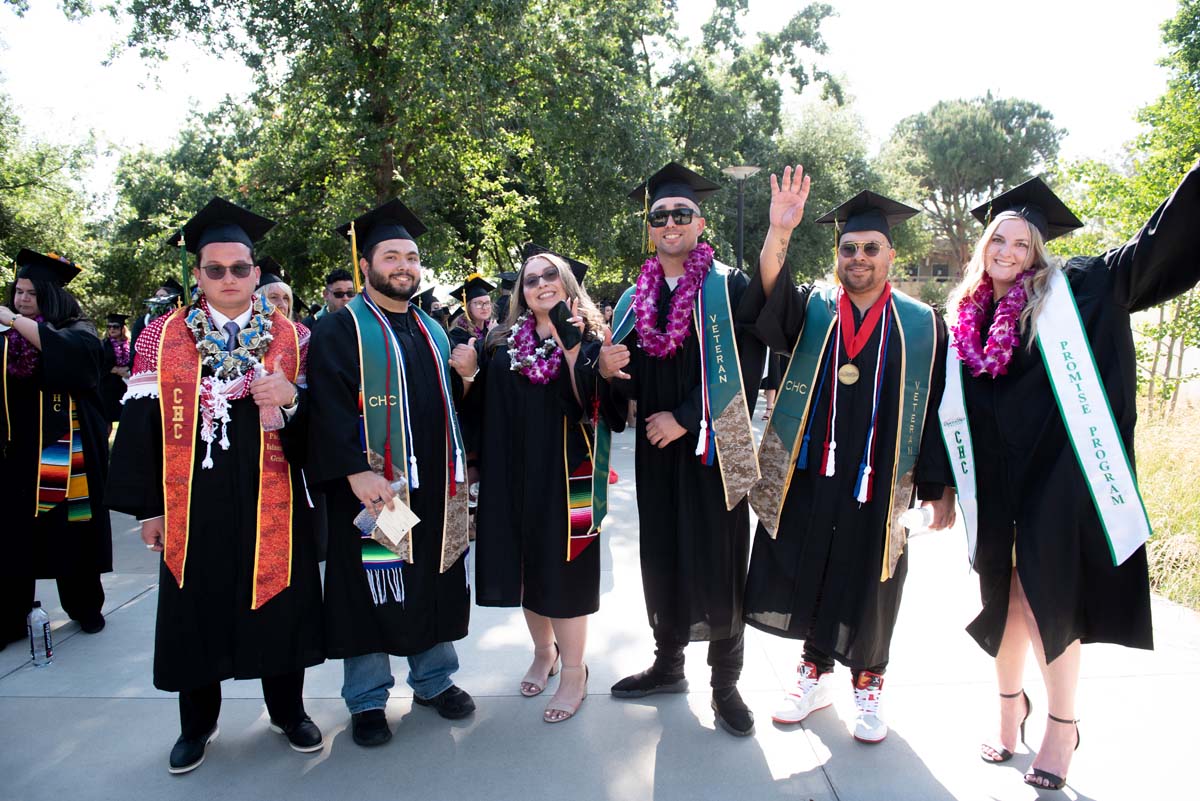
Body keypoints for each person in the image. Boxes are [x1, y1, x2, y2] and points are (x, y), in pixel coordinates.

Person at [940, 164, 1200, 790]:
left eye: (1022, 242)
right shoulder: (963, 314)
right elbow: (938, 406)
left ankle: (1062, 726)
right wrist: (940, 483)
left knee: (1045, 600)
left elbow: (1149, 252)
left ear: (1039, 251)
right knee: (1000, 601)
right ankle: (1009, 711)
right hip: (994, 480)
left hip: (1056, 480)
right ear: (983, 247)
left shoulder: (1075, 286)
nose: (1008, 251)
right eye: (998, 240)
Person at [106, 197, 325, 774]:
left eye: (241, 268)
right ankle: (197, 725)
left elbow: (320, 424)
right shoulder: (161, 337)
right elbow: (139, 431)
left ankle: (289, 711)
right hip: (191, 501)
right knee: (193, 606)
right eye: (215, 269)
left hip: (272, 496)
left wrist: (292, 399)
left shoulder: (294, 337)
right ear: (197, 274)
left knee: (278, 598)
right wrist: (148, 509)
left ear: (257, 270)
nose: (229, 279)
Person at [741, 171, 955, 745]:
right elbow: (768, 300)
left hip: (883, 478)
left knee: (874, 576)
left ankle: (869, 682)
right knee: (816, 562)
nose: (857, 257)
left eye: (870, 248)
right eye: (848, 248)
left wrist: (938, 489)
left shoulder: (922, 323)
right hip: (815, 470)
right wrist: (777, 232)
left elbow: (934, 409)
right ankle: (813, 672)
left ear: (890, 253)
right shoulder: (815, 308)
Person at [597, 162, 765, 737]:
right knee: (663, 555)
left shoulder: (728, 285)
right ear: (650, 229)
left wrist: (688, 417)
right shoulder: (632, 297)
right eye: (659, 216)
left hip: (714, 450)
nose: (670, 223)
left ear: (700, 222)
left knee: (720, 561)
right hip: (657, 452)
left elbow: (748, 364)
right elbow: (625, 380)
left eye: (681, 214)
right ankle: (669, 664)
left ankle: (726, 683)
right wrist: (610, 371)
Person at [306, 198, 478, 748]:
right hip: (380, 489)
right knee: (372, 587)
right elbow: (328, 409)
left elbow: (448, 404)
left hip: (433, 488)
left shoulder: (433, 329)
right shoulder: (341, 328)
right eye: (390, 255)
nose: (403, 265)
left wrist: (469, 385)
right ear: (367, 265)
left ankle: (433, 680)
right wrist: (356, 473)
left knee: (430, 578)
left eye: (410, 256)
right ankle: (367, 698)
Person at [476, 247, 612, 723]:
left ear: (567, 280)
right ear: (521, 291)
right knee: (527, 566)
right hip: (513, 472)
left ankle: (574, 671)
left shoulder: (592, 335)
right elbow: (485, 406)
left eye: (550, 275)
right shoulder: (503, 341)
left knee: (566, 572)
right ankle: (544, 651)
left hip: (568, 473)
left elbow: (590, 405)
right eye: (531, 279)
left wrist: (571, 345)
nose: (541, 284)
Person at [0, 250, 111, 648]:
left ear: (50, 294)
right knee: (12, 536)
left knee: (71, 530)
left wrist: (16, 321)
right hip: (16, 454)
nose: (22, 299)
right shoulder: (7, 338)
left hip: (66, 454)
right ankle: (9, 618)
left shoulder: (77, 330)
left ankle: (85, 608)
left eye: (31, 293)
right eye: (18, 292)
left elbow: (74, 362)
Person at [129, 277, 183, 365]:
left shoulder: (178, 320)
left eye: (163, 296)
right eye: (156, 296)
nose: (158, 299)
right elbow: (133, 350)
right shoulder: (142, 322)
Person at [99, 312, 132, 426]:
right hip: (107, 387)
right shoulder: (103, 344)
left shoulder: (131, 345)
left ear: (123, 328)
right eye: (109, 326)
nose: (112, 329)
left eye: (115, 326)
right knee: (106, 420)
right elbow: (99, 363)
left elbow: (134, 359)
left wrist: (127, 369)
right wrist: (118, 370)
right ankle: (103, 443)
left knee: (127, 418)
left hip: (125, 386)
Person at [449, 274, 497, 346]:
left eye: (487, 303)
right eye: (478, 303)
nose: (484, 308)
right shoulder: (458, 333)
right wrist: (491, 336)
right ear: (469, 307)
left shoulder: (491, 326)